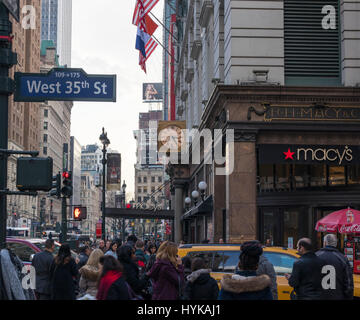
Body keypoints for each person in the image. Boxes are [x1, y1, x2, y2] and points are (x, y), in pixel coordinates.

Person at [316, 234, 354, 300]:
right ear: (335, 244)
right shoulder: (342, 258)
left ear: (324, 243)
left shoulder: (315, 256)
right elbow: (349, 284)